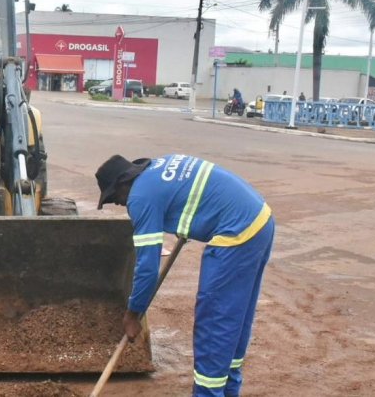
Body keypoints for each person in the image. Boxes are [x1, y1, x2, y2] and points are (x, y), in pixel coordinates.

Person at [96, 154, 274, 397]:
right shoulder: (158, 169)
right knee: (234, 320)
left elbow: (147, 267)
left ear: (123, 184)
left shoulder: (139, 197)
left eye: (115, 198)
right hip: (260, 220)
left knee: (215, 320)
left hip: (236, 233)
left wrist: (133, 313)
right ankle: (229, 391)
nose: (119, 204)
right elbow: (192, 195)